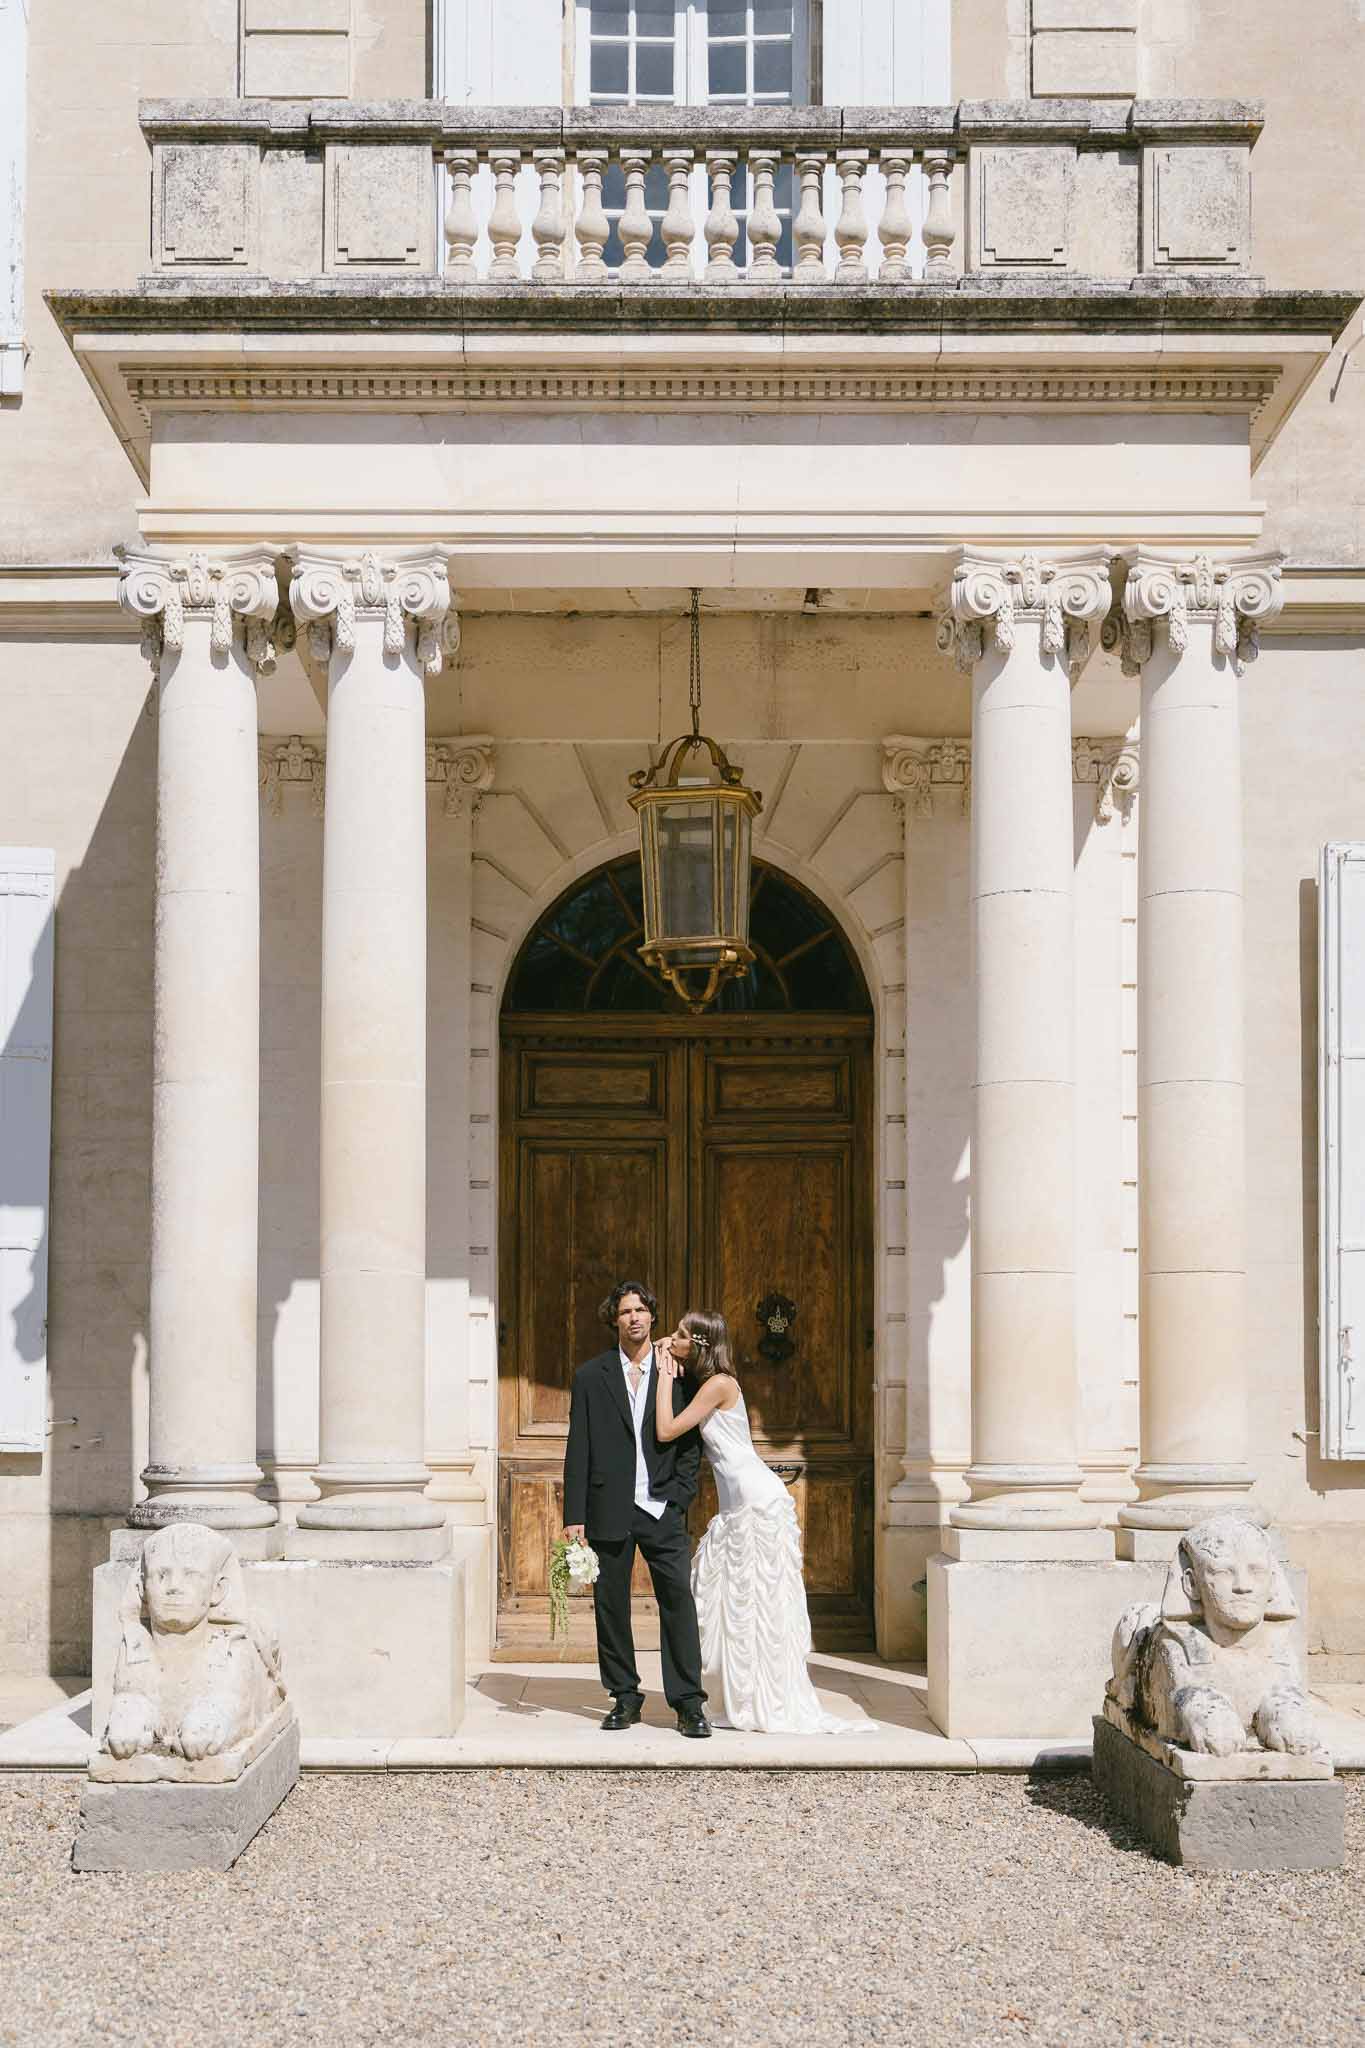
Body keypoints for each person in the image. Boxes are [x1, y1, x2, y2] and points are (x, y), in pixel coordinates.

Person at [656, 1309, 860, 1735]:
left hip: (754, 1501)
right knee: (737, 1604)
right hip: (740, 1503)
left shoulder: (718, 1384)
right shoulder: (710, 1383)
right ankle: (743, 1695)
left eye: (679, 1334)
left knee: (757, 1604)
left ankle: (765, 1699)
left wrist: (661, 1374)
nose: (670, 1338)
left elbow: (666, 1430)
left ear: (699, 1343)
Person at [562, 1280, 712, 1738]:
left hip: (662, 1504)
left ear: (652, 1316)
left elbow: (691, 1444)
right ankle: (625, 1696)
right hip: (608, 1508)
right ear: (615, 1319)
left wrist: (681, 1495)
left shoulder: (678, 1373)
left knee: (678, 1603)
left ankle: (688, 1703)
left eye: (641, 1310)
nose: (634, 1318)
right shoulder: (591, 1376)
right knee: (611, 1607)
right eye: (625, 1311)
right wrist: (574, 1517)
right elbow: (579, 1449)